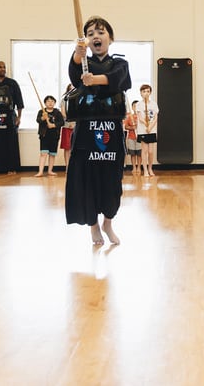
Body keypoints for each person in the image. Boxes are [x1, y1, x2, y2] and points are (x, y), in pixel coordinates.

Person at [65, 16, 131, 246]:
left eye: (101, 32)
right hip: (86, 131)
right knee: (87, 181)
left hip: (111, 129)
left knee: (112, 182)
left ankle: (108, 223)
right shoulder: (83, 63)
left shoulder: (120, 63)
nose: (96, 36)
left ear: (110, 39)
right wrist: (77, 53)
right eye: (91, 33)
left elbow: (118, 79)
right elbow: (75, 76)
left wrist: (96, 80)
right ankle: (93, 226)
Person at [35, 95, 64, 177]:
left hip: (54, 136)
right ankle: (40, 172)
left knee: (52, 154)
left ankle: (50, 171)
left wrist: (53, 125)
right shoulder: (41, 111)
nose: (50, 103)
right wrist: (43, 118)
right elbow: (38, 120)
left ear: (54, 103)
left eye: (52, 101)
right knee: (43, 154)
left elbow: (61, 122)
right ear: (45, 103)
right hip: (44, 136)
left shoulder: (57, 112)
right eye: (48, 101)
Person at [136, 83, 158, 177]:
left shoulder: (153, 104)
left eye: (148, 91)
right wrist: (146, 125)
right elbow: (140, 117)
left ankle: (150, 168)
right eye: (144, 91)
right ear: (141, 93)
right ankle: (144, 170)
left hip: (152, 130)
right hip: (143, 130)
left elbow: (156, 118)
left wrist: (151, 127)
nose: (146, 93)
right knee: (144, 151)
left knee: (151, 151)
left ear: (150, 93)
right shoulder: (139, 104)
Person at [124, 100, 141, 175]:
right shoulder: (129, 117)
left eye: (137, 106)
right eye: (134, 106)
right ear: (132, 107)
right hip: (131, 138)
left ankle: (139, 167)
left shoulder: (141, 117)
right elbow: (126, 126)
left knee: (139, 154)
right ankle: (134, 167)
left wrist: (138, 126)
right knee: (133, 154)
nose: (136, 108)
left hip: (139, 138)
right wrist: (132, 127)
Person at [59, 83, 75, 167]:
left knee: (76, 148)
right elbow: (63, 113)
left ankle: (75, 167)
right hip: (66, 126)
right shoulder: (64, 100)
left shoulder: (79, 98)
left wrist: (74, 122)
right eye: (70, 89)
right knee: (67, 147)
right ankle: (67, 166)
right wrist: (70, 121)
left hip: (77, 126)